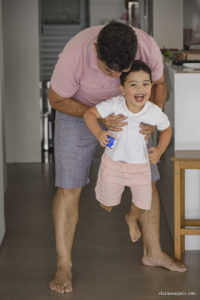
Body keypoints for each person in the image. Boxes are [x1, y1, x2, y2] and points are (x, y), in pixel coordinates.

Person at [48, 21, 187, 294]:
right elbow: (56, 98)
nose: (116, 76)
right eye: (109, 70)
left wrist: (150, 116)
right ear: (96, 49)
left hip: (134, 114)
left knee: (148, 180)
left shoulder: (146, 45)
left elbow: (158, 84)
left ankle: (154, 252)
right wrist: (99, 116)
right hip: (79, 110)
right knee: (69, 187)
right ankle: (64, 266)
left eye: (122, 71)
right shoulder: (74, 54)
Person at [84, 60, 172, 242]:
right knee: (107, 204)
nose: (141, 89)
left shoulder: (154, 111)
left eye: (146, 84)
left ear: (151, 87)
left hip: (140, 167)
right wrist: (99, 132)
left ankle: (131, 218)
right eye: (134, 84)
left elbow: (167, 129)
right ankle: (106, 199)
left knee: (143, 203)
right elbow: (89, 114)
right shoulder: (114, 105)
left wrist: (160, 151)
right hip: (113, 164)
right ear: (122, 89)